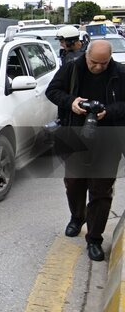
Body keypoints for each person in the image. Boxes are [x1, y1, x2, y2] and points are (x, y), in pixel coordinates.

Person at [45, 40, 125, 261]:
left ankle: (94, 238)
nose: (98, 67)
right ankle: (77, 217)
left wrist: (108, 111)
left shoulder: (120, 73)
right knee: (74, 183)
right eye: (94, 62)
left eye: (104, 63)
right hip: (74, 136)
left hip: (108, 140)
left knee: (101, 191)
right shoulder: (71, 67)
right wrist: (71, 102)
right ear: (86, 55)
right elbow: (52, 91)